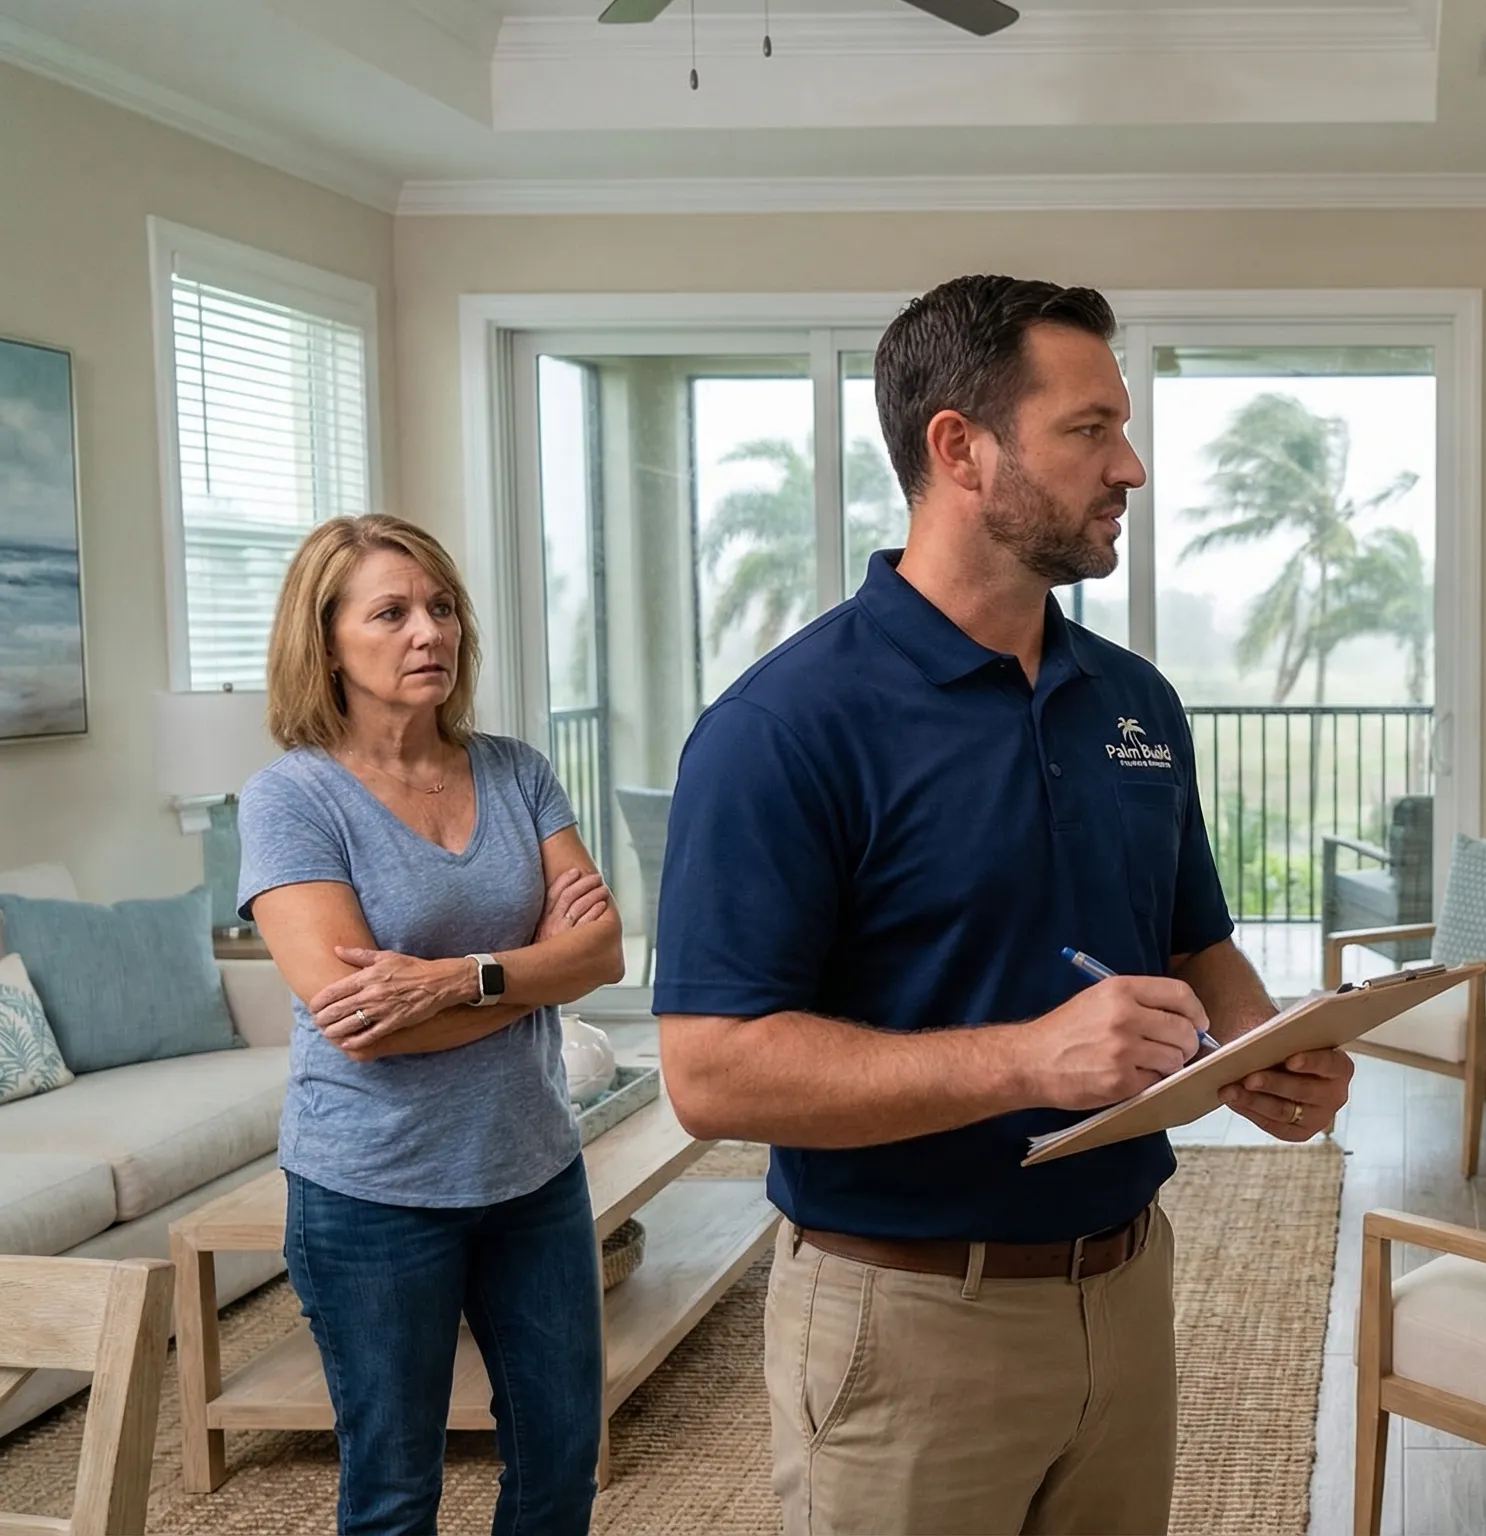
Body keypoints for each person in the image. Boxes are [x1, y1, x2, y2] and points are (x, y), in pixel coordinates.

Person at [653, 274, 1356, 1536]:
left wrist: (1259, 1054)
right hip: (903, 1321)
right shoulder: (782, 729)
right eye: (1089, 430)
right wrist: (1028, 1059)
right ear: (958, 449)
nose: (1130, 466)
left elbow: (1194, 937)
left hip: (1126, 1291)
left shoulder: (1136, 701)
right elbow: (711, 1073)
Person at [238, 514, 627, 1536]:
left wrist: (456, 977)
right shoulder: (292, 799)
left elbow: (603, 952)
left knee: (559, 1467)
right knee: (394, 1493)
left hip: (533, 1171)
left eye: (442, 607)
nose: (430, 634)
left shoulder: (515, 770)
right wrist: (529, 974)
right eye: (393, 612)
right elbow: (366, 1024)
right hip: (372, 1193)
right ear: (325, 640)